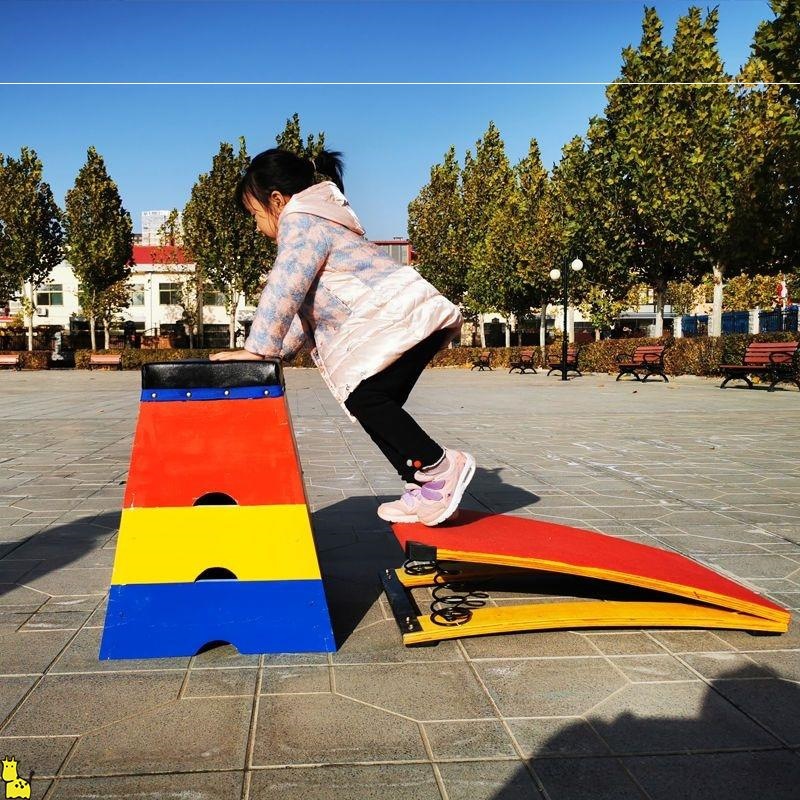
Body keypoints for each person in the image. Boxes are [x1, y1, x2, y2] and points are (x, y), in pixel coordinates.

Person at [210, 148, 475, 526]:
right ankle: (422, 486)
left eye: (255, 215)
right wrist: (274, 355)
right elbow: (307, 314)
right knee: (367, 403)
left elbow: (285, 287)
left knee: (368, 398)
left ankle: (441, 466)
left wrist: (257, 350)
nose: (257, 227)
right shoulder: (321, 222)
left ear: (276, 200)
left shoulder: (300, 222)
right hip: (402, 319)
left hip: (400, 318)